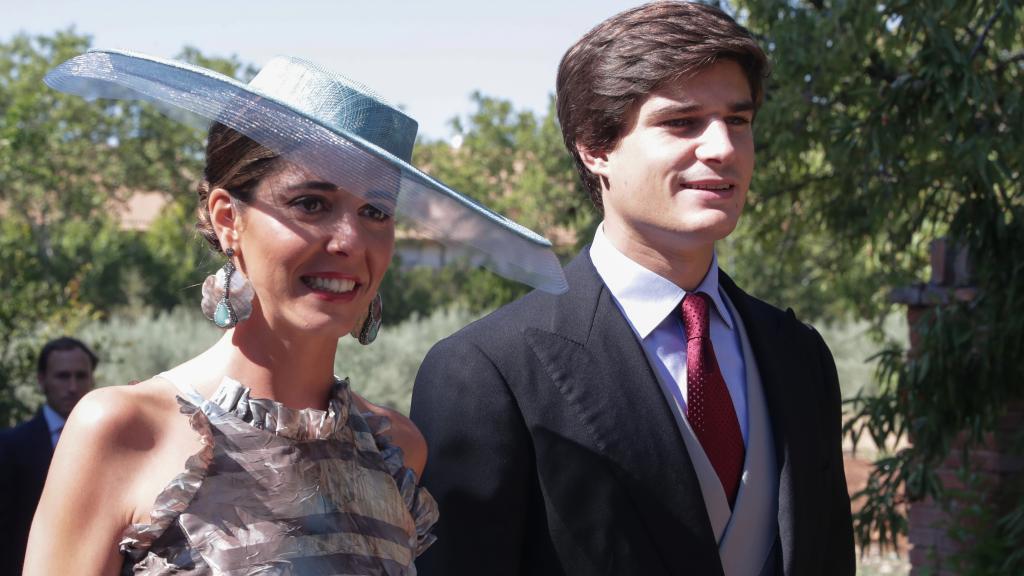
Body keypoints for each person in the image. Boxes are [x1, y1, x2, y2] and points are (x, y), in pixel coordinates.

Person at [25, 50, 565, 575]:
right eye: (311, 203)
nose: (350, 240)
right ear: (227, 219)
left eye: (376, 211)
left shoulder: (398, 450)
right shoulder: (124, 430)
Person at [410, 2, 856, 575]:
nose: (722, 147)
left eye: (738, 120)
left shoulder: (800, 354)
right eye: (682, 122)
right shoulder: (484, 371)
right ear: (595, 147)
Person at [0, 337, 97, 575]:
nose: (72, 386)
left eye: (81, 376)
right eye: (63, 376)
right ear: (42, 380)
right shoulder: (10, 446)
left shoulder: (118, 442)